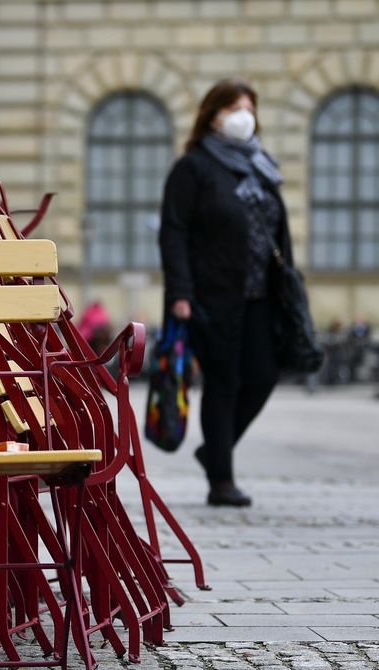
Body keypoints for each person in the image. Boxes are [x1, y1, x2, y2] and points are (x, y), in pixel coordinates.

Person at [158, 78, 293, 507]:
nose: (244, 116)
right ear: (213, 115)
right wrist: (180, 290)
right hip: (210, 294)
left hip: (260, 294)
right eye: (235, 107)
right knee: (223, 383)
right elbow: (173, 231)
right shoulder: (193, 167)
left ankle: (213, 450)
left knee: (264, 376)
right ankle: (221, 480)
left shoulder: (261, 164)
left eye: (250, 108)